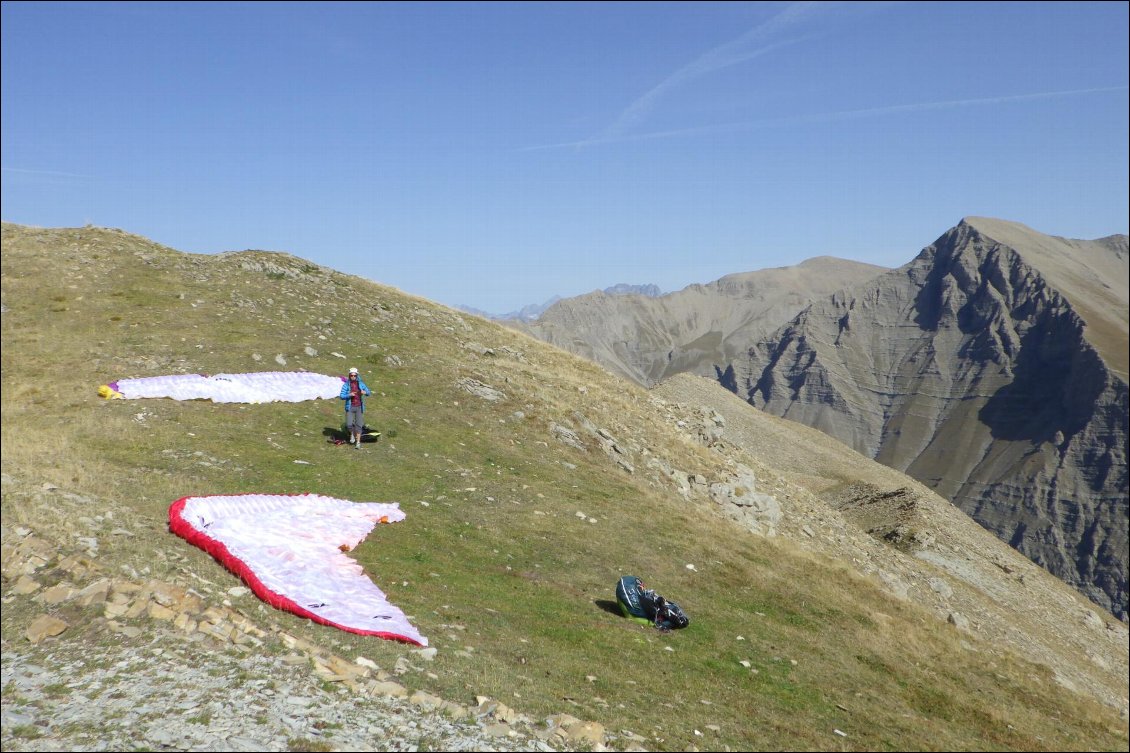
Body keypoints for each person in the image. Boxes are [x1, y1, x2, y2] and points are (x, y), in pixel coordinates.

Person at [339, 367, 372, 449]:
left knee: (359, 425)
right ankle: (352, 435)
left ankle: (358, 443)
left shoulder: (361, 384)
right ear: (349, 375)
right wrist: (349, 395)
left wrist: (365, 392)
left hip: (359, 407)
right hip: (350, 407)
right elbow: (341, 396)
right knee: (349, 424)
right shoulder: (346, 385)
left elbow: (368, 392)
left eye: (354, 375)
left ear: (357, 375)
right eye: (351, 375)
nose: (353, 377)